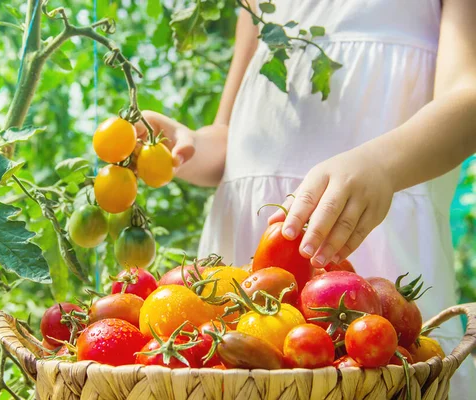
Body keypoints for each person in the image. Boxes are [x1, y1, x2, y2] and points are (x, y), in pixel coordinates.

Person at [136, 0, 476, 396]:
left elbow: (468, 99)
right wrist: (189, 146)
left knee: (385, 378)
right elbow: (230, 139)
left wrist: (383, 165)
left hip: (370, 237)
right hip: (249, 260)